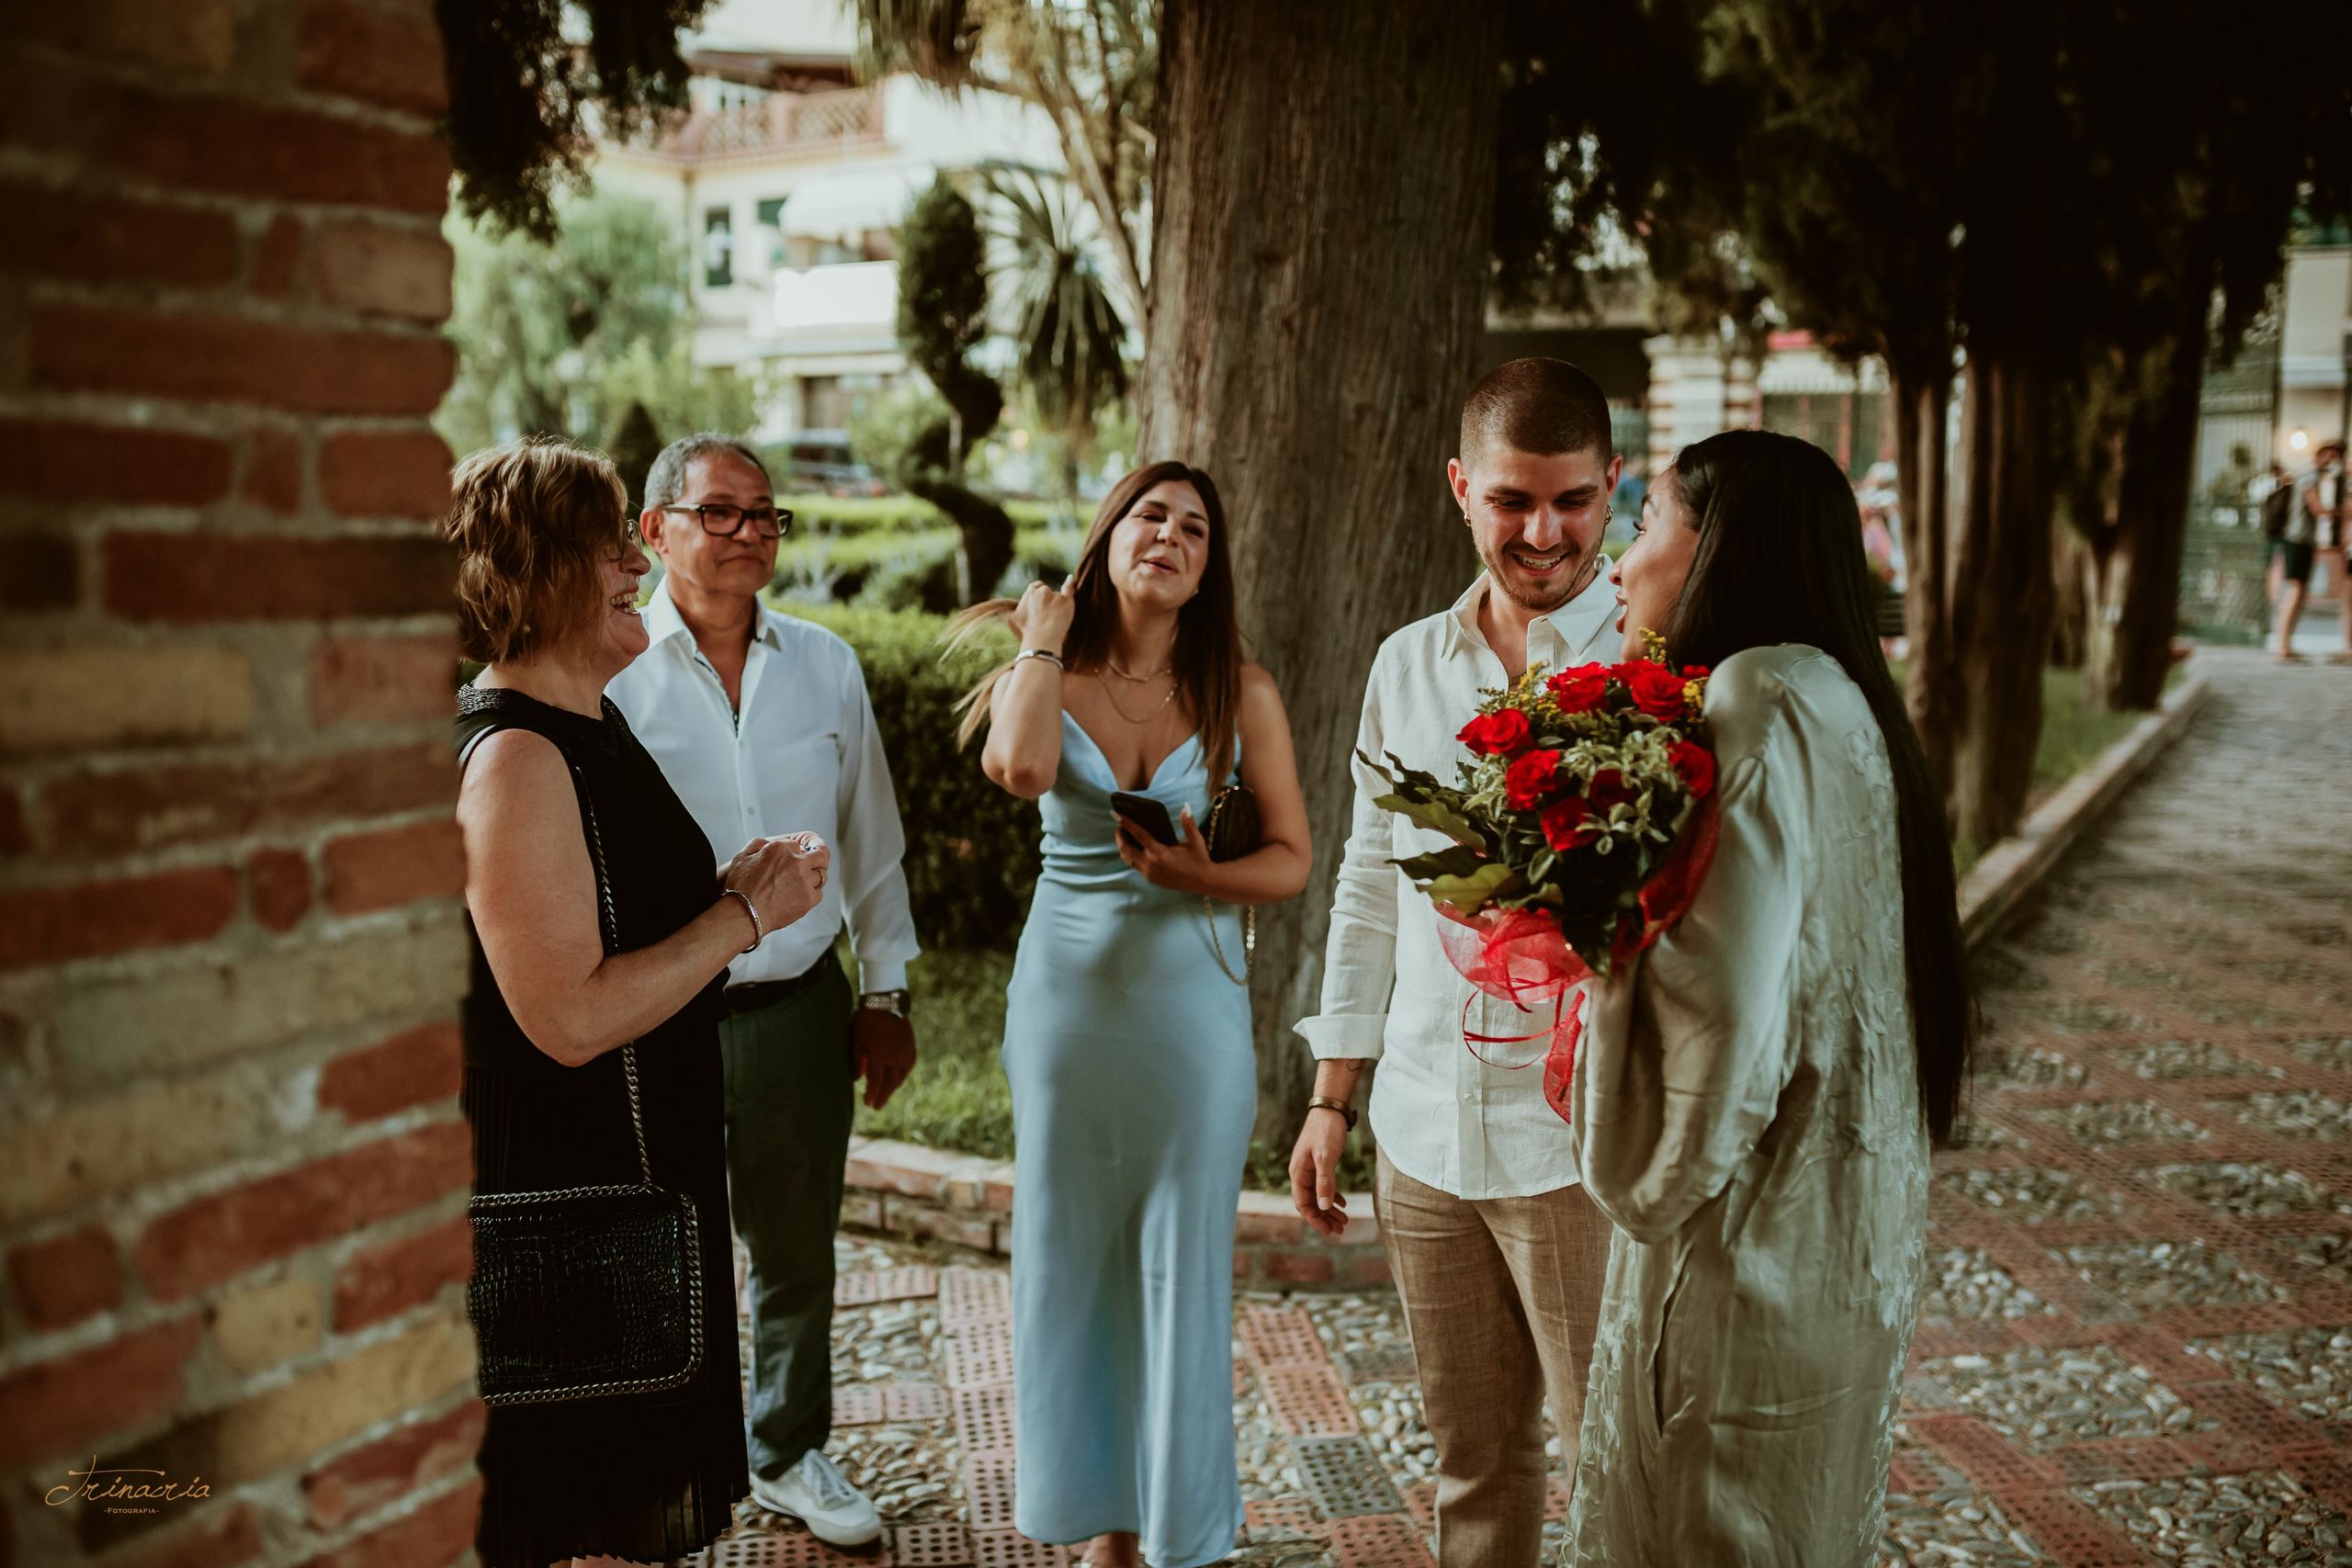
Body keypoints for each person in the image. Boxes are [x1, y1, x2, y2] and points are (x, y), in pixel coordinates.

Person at [1566, 428, 1973, 1566]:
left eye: (1644, 525)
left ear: (1715, 549)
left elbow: (1725, 999)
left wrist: (1593, 946)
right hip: (1837, 1219)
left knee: (1708, 1519)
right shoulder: (1836, 689)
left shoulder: (1756, 693)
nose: (1619, 559)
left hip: (1751, 1229)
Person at [445, 437, 831, 1568]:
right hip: (570, 1204)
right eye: (608, 541)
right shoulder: (517, 753)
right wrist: (741, 920)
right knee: (576, 1524)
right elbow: (563, 1015)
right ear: (535, 570)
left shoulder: (587, 724)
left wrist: (729, 892)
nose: (633, 561)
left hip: (632, 1174)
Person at [1288, 357, 1623, 1568]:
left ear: (1614, 482)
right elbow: (1369, 885)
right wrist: (1335, 1094)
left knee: (1614, 1459)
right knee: (1473, 1460)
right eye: (1512, 500)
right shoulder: (1404, 664)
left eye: (1574, 500)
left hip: (1588, 1141)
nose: (1544, 533)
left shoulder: (1660, 658)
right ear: (1458, 487)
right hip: (1422, 1128)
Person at [956, 461, 1313, 1568]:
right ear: (1109, 538)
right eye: (1149, 516)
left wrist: (1199, 877)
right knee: (1074, 1264)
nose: (1170, 535)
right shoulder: (1050, 671)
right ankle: (1095, 1530)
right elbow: (1017, 770)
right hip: (1065, 1014)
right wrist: (1042, 637)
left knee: (1178, 1265)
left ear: (1208, 573)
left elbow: (1292, 862)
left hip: (1191, 1014)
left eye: (1195, 529)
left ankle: (1175, 1532)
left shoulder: (1239, 691)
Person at [604, 434, 920, 1547]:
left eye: (765, 515)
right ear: (655, 531)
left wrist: (885, 993)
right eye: (720, 512)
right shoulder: (606, 668)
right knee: (661, 1251)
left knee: (793, 1250)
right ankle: (661, 1461)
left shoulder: (824, 662)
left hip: (797, 1012)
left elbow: (869, 840)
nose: (749, 534)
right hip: (658, 1018)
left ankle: (788, 1452)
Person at [2279, 439, 2345, 664]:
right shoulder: (2309, 475)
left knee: (2301, 592)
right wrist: (2343, 512)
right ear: (2322, 454)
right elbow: (2317, 509)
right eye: (2330, 456)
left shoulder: (2316, 476)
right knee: (2295, 590)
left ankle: (2286, 645)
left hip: (2306, 541)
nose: (2332, 461)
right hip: (2296, 539)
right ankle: (2281, 646)